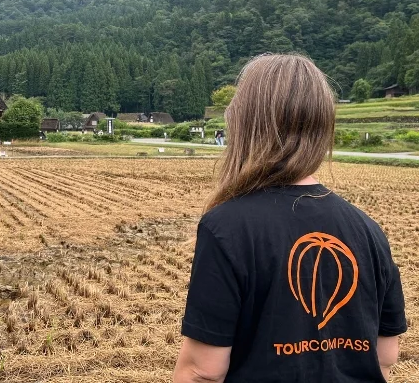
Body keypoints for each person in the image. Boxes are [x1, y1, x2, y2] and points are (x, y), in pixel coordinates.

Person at [173, 54, 406, 383]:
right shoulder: (368, 230)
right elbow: (385, 356)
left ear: (244, 125)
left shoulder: (226, 227)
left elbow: (202, 372)